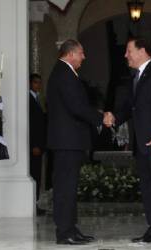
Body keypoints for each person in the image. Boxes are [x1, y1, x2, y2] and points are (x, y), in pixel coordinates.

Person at [110, 37, 151, 247]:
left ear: (142, 51)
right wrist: (113, 118)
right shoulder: (136, 76)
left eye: (129, 50)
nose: (125, 55)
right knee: (148, 188)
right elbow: (130, 106)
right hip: (142, 144)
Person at [46, 39, 111, 245]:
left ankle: (70, 228)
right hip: (67, 141)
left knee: (69, 186)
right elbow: (76, 107)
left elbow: (76, 105)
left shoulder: (64, 72)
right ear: (70, 54)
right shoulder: (64, 74)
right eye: (81, 53)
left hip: (68, 140)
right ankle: (65, 232)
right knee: (65, 187)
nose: (84, 57)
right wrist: (101, 117)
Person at [29, 73, 46, 215]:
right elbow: (32, 125)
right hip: (34, 146)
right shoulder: (29, 99)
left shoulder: (37, 99)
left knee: (38, 175)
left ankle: (36, 204)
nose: (38, 85)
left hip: (40, 145)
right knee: (34, 174)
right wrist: (34, 144)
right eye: (35, 82)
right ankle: (33, 205)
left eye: (39, 82)